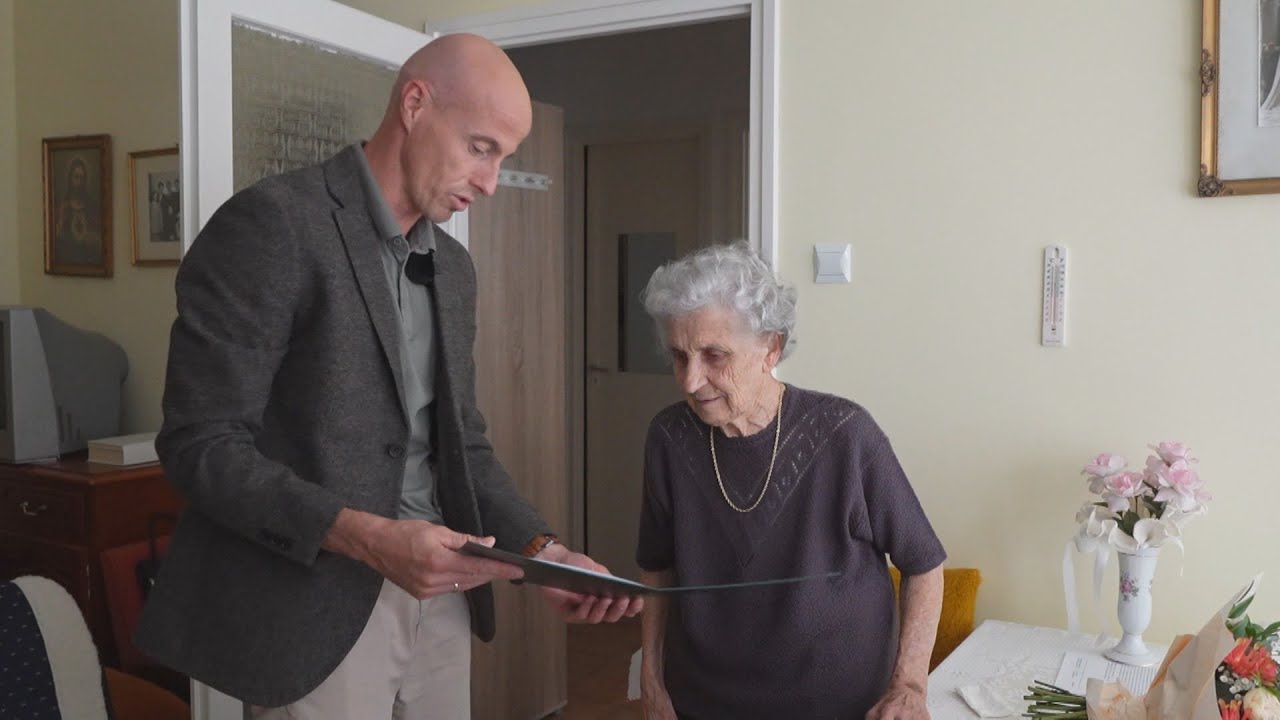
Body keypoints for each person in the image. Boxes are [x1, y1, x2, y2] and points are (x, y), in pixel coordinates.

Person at [135, 33, 640, 719]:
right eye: (480, 148)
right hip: (313, 606)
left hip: (444, 600)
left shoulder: (454, 271)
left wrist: (543, 553)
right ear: (414, 104)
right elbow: (201, 445)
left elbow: (462, 444)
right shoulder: (273, 225)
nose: (490, 183)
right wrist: (370, 538)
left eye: (503, 158)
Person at [635, 241, 946, 720]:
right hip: (702, 702)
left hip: (838, 706)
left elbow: (924, 564)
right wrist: (651, 680)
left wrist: (909, 684)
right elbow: (657, 568)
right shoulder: (669, 438)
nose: (690, 381)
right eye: (679, 356)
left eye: (714, 355)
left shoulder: (846, 435)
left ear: (771, 348)